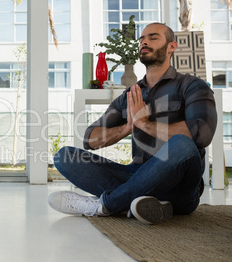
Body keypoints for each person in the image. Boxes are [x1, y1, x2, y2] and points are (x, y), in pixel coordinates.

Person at [48, 22, 217, 225]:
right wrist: (128, 126)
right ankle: (145, 203)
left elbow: (203, 133)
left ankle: (105, 205)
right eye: (142, 39)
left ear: (172, 46)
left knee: (182, 144)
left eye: (153, 38)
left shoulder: (192, 86)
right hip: (137, 174)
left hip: (181, 185)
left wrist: (145, 123)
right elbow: (90, 139)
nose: (144, 41)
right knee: (65, 156)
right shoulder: (130, 95)